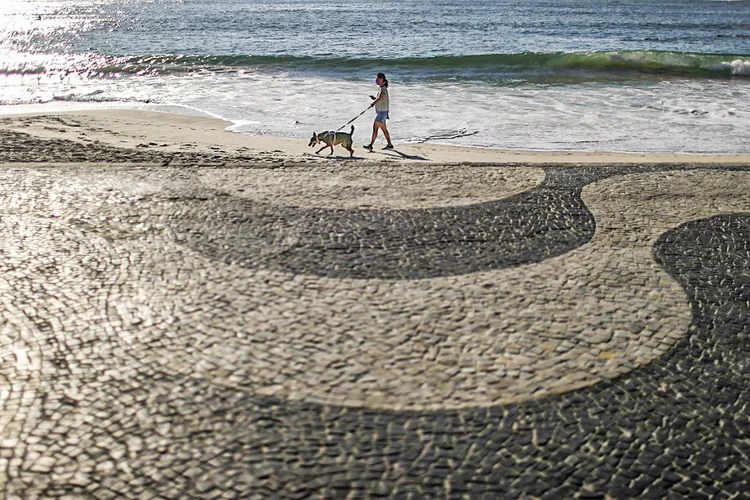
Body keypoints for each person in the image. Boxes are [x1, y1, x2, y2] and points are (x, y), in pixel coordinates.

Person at [363, 73, 393, 151]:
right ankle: (389, 144)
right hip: (382, 112)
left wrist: (373, 103)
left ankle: (371, 145)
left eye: (377, 79)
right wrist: (374, 98)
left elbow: (380, 97)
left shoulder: (383, 89)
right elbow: (379, 98)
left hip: (382, 113)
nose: (376, 80)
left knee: (375, 128)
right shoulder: (381, 88)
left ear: (381, 79)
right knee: (384, 129)